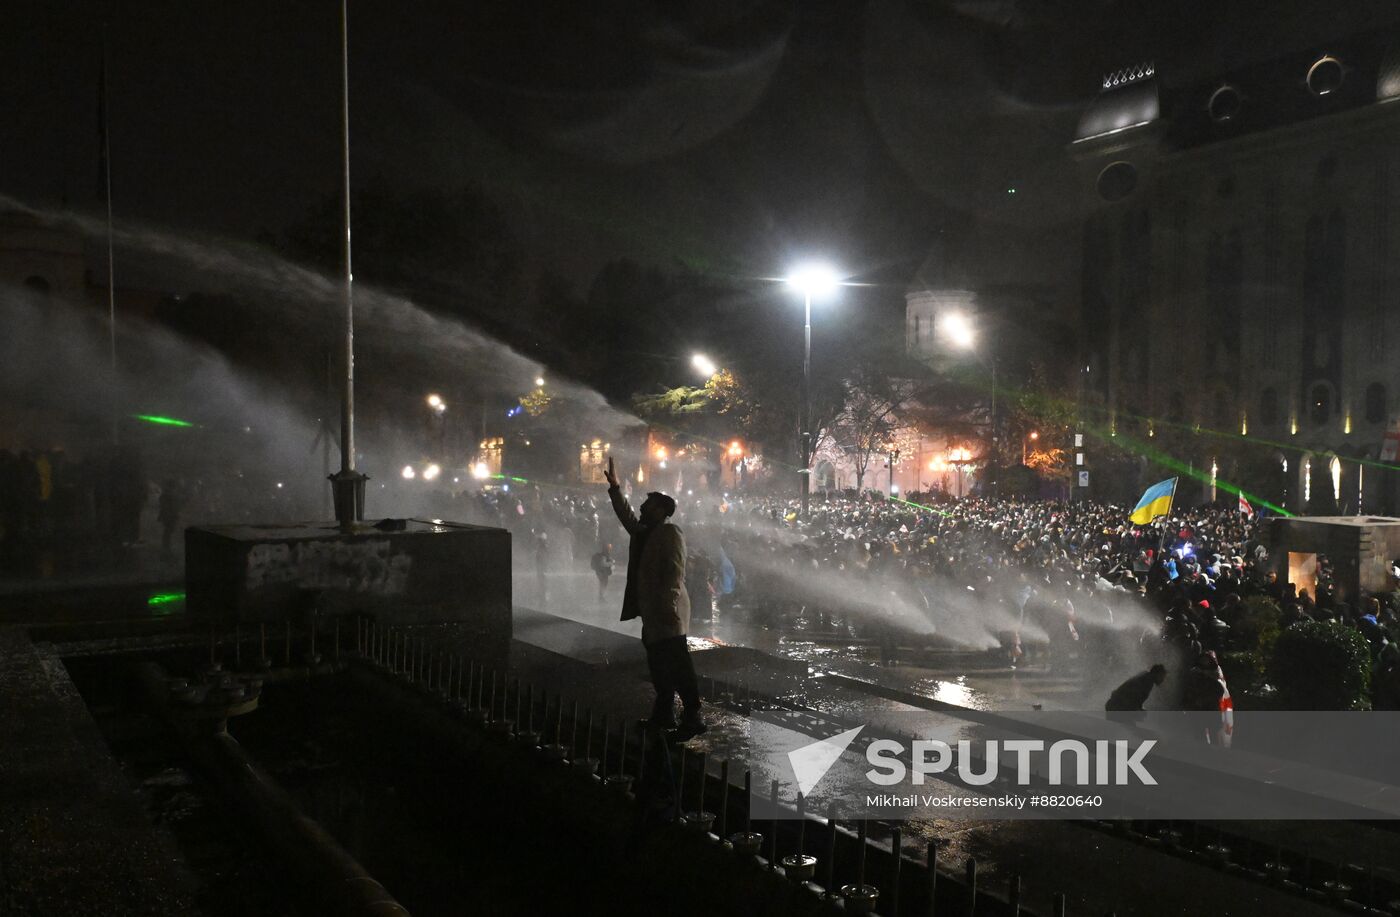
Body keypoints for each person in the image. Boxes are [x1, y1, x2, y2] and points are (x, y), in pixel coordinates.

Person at [604, 457, 705, 738]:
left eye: (646, 505)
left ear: (660, 509)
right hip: (655, 611)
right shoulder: (647, 532)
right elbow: (626, 516)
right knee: (659, 665)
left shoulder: (670, 533)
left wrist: (668, 610)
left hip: (667, 612)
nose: (640, 508)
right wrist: (615, 488)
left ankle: (693, 715)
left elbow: (674, 574)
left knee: (678, 665)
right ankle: (664, 715)